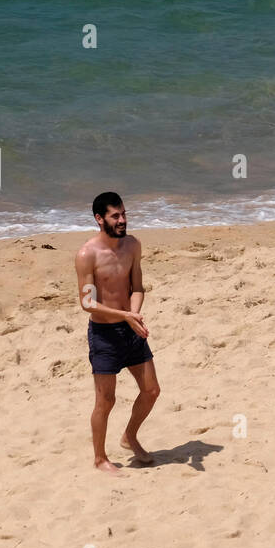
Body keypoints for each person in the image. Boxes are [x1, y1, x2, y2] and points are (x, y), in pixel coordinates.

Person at [74, 192, 160, 473]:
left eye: (124, 214)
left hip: (131, 329)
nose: (122, 220)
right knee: (106, 400)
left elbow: (137, 287)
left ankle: (129, 436)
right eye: (115, 216)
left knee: (151, 390)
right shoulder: (87, 255)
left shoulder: (133, 245)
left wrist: (134, 314)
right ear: (99, 219)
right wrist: (125, 315)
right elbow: (87, 302)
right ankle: (99, 458)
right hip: (104, 335)